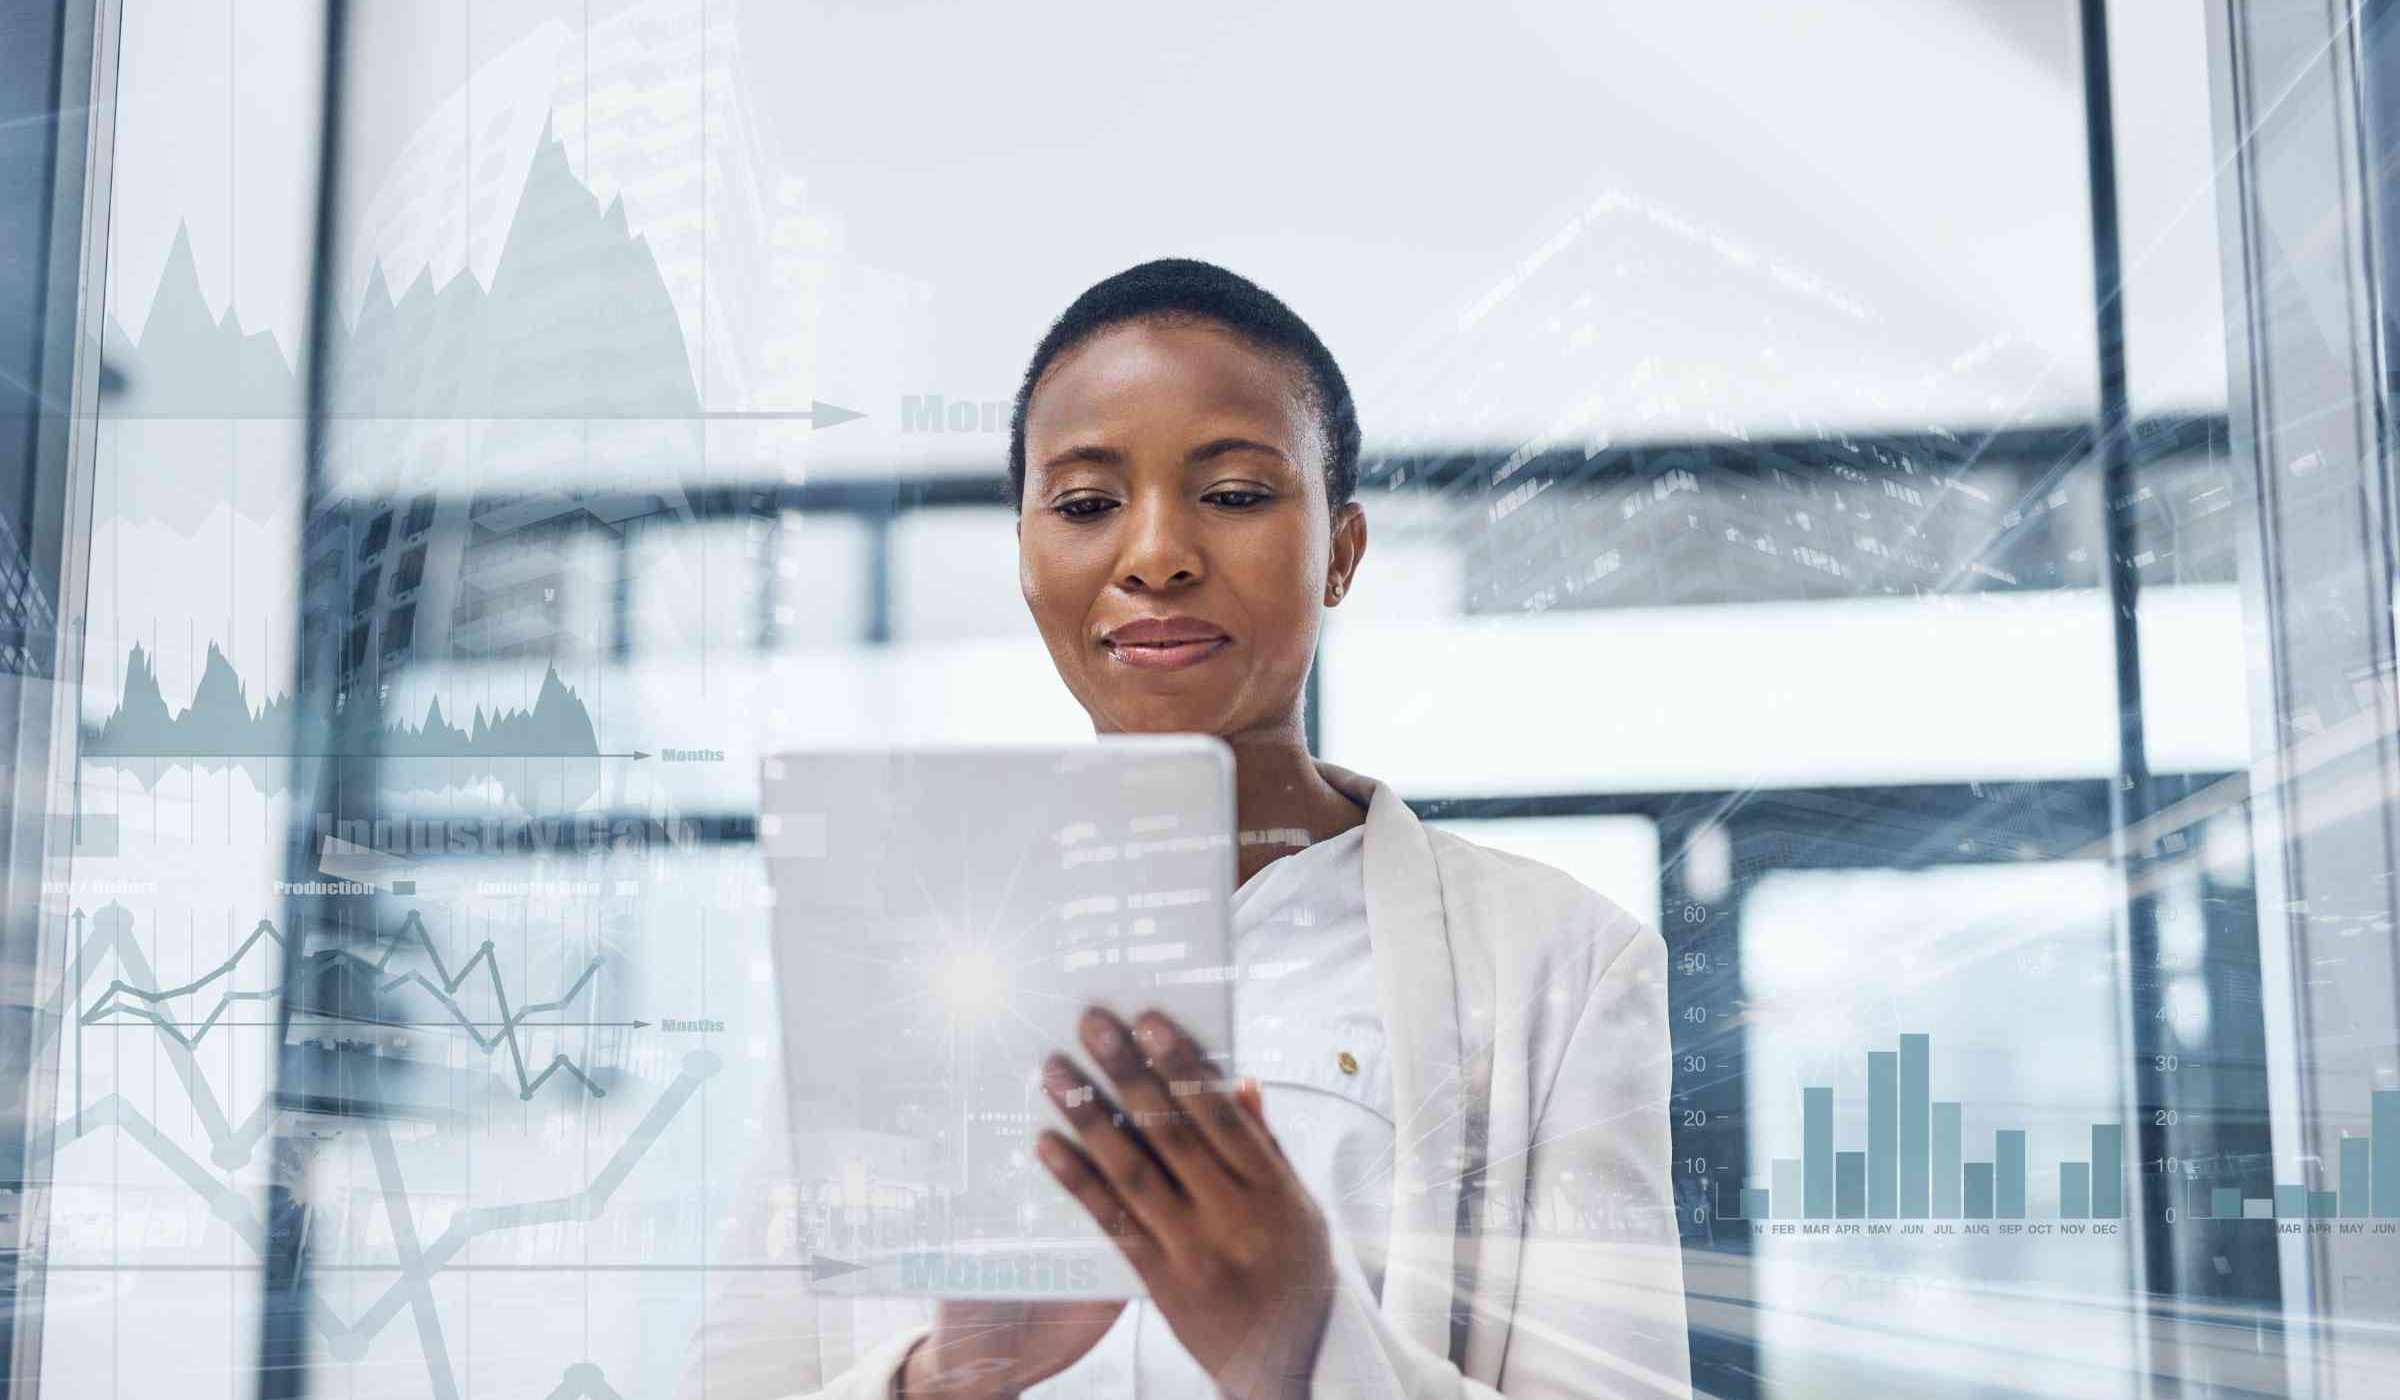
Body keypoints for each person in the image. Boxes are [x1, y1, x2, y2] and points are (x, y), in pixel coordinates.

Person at [678, 259, 1689, 1399]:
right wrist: (935, 1381)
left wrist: (1308, 1345)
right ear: (1024, 554)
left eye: (1237, 494)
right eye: (1086, 504)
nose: (1155, 554)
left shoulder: (1559, 962)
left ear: (1342, 551)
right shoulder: (888, 962)